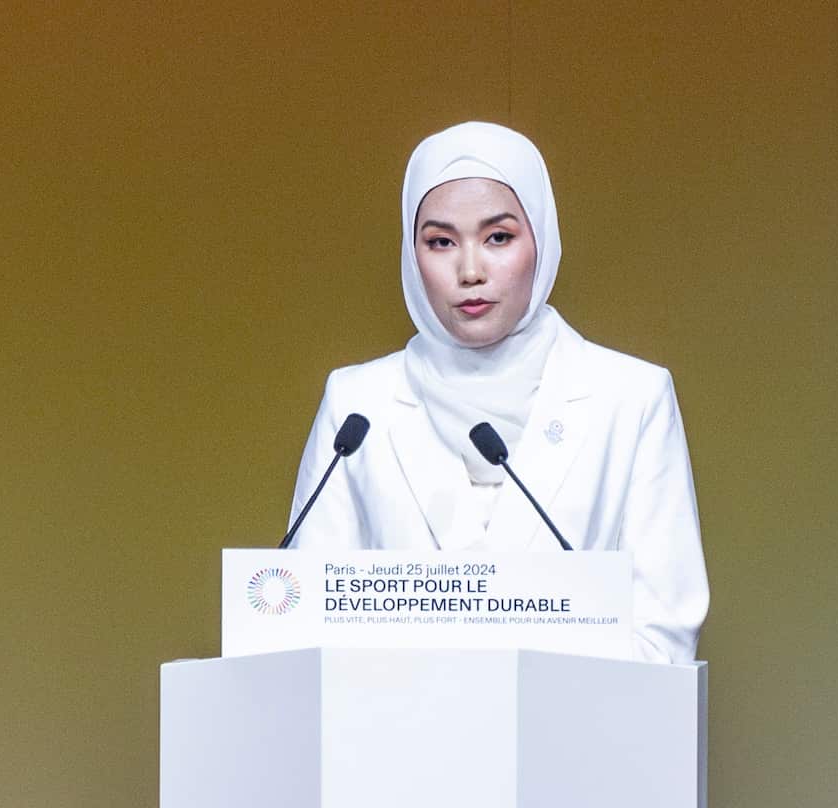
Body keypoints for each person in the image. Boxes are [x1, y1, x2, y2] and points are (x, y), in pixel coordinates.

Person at [286, 121, 709, 664]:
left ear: (543, 240)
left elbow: (664, 634)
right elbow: (305, 629)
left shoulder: (630, 398)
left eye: (499, 238)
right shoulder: (357, 405)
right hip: (392, 739)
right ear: (411, 256)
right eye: (440, 242)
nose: (470, 270)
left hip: (574, 741)